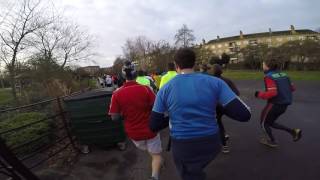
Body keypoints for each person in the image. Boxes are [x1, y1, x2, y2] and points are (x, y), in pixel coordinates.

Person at [150, 48, 251, 180]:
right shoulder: (215, 82)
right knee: (197, 169)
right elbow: (244, 114)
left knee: (191, 173)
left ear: (176, 65)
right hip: (212, 143)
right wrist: (215, 106)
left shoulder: (165, 89)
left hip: (183, 145)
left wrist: (173, 115)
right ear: (194, 63)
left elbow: (154, 125)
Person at [108, 61, 163, 180]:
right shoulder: (146, 89)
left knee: (149, 150)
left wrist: (126, 113)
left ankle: (155, 161)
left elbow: (114, 117)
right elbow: (157, 108)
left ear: (123, 76)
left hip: (134, 134)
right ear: (136, 75)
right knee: (156, 155)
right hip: (151, 130)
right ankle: (154, 176)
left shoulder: (116, 94)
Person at [255, 58, 302, 148]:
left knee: (263, 123)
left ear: (268, 66)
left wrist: (259, 94)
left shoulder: (268, 76)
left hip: (274, 104)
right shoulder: (284, 74)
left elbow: (272, 93)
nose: (262, 66)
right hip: (284, 105)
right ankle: (293, 131)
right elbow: (293, 88)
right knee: (270, 123)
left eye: (263, 65)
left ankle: (272, 141)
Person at [212, 64, 240, 153]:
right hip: (226, 106)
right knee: (218, 121)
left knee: (217, 123)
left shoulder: (211, 81)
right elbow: (237, 93)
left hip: (217, 107)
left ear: (212, 71)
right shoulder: (227, 80)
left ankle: (224, 145)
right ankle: (224, 134)